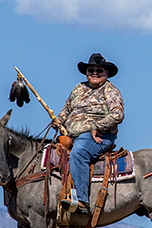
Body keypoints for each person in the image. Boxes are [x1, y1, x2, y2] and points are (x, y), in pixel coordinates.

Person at [52, 53, 124, 213]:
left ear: (107, 73)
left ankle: (82, 201)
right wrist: (58, 121)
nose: (95, 73)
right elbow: (67, 109)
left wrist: (97, 126)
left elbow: (118, 114)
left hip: (99, 136)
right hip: (71, 136)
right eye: (91, 69)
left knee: (79, 153)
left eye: (99, 70)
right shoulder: (79, 88)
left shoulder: (110, 90)